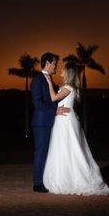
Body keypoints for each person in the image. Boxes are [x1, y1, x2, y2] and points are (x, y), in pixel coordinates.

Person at [43, 61, 109, 195]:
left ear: (69, 73)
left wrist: (49, 82)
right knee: (66, 149)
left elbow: (53, 98)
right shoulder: (68, 86)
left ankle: (74, 179)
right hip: (64, 120)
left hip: (66, 122)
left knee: (71, 149)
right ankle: (68, 177)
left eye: (64, 69)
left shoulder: (68, 87)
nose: (61, 71)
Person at [31, 52, 71, 193]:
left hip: (51, 122)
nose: (56, 66)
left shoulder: (50, 80)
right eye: (54, 63)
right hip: (41, 123)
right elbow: (37, 102)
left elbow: (52, 99)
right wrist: (54, 111)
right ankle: (37, 183)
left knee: (48, 152)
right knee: (41, 152)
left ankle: (46, 180)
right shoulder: (37, 79)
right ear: (47, 63)